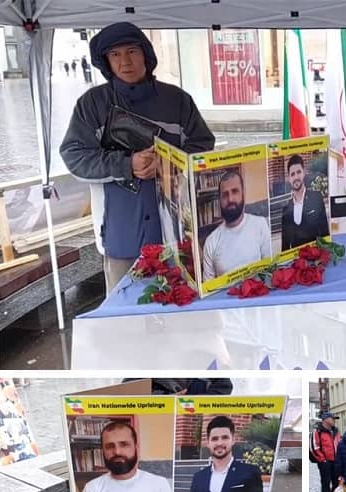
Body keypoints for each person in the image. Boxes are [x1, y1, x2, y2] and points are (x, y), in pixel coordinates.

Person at [60, 22, 214, 293]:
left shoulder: (178, 101)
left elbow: (203, 145)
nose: (125, 62)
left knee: (181, 308)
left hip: (175, 234)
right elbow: (75, 156)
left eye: (132, 51)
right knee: (125, 318)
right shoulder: (92, 104)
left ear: (146, 54)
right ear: (106, 61)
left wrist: (167, 164)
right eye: (115, 55)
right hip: (122, 235)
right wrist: (126, 164)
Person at [80, 421, 172, 492]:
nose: (117, 451)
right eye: (110, 446)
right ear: (103, 451)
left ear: (136, 447)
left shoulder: (160, 484)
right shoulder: (91, 488)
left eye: (124, 444)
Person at [201, 169, 273, 280]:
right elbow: (208, 292)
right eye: (225, 195)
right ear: (219, 199)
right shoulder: (211, 242)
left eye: (235, 191)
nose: (230, 199)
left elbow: (270, 272)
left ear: (243, 193)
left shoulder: (260, 225)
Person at [187, 416, 264, 492]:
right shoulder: (198, 477)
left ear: (233, 440)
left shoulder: (250, 472)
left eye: (225, 437)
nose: (219, 443)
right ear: (208, 443)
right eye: (214, 439)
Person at [280, 154, 329, 250]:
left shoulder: (316, 197)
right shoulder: (286, 208)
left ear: (304, 173)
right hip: (297, 261)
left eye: (298, 172)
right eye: (292, 174)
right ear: (289, 178)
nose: (296, 177)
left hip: (315, 256)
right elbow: (285, 245)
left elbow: (325, 232)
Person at [313, 413, 341, 492]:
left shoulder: (336, 431)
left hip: (335, 460)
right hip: (324, 461)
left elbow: (339, 444)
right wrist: (322, 459)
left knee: (336, 480)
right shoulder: (318, 431)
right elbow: (314, 447)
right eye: (333, 419)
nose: (334, 420)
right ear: (325, 420)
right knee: (325, 481)